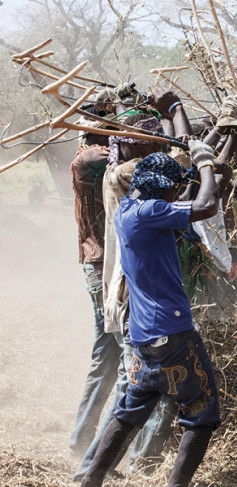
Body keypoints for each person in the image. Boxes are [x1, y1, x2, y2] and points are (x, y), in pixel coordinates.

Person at [80, 142, 222, 487]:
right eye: (172, 188)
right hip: (173, 335)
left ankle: (90, 480)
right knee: (202, 414)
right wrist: (205, 163)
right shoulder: (150, 212)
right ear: (161, 188)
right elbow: (206, 204)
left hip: (144, 338)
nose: (175, 194)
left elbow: (180, 201)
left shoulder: (129, 210)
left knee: (128, 413)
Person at [68, 118, 121, 457]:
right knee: (119, 355)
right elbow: (132, 164)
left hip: (104, 262)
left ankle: (84, 440)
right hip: (102, 263)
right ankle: (95, 447)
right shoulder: (92, 158)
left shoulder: (93, 154)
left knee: (108, 355)